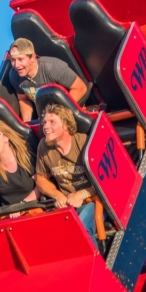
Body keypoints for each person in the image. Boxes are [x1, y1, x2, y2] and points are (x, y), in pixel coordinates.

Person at [34, 103, 98, 240]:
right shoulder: (43, 147)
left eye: (52, 122)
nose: (45, 127)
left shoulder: (83, 142)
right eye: (44, 122)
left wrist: (82, 194)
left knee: (82, 227)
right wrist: (57, 195)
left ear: (66, 125)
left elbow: (104, 179)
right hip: (67, 205)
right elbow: (40, 178)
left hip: (93, 200)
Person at [8, 37, 87, 121]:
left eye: (20, 59)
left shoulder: (53, 67)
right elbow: (24, 99)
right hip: (45, 120)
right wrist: (28, 124)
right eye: (13, 60)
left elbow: (80, 88)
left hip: (70, 113)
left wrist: (59, 113)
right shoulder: (14, 75)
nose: (16, 65)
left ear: (33, 57)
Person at [0, 118, 39, 213]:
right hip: (8, 215)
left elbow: (41, 185)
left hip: (32, 209)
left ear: (6, 137)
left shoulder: (26, 154)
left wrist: (22, 205)